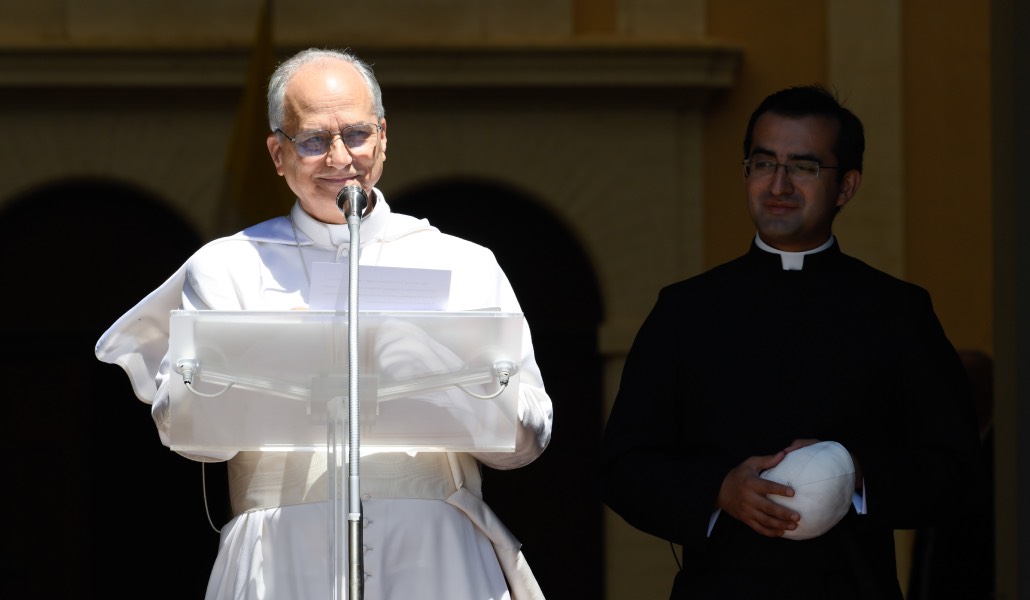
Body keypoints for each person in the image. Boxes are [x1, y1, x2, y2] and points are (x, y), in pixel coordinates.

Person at [95, 47, 553, 600]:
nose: (340, 158)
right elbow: (194, 441)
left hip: (434, 553)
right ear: (277, 153)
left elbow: (525, 442)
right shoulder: (227, 266)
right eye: (313, 141)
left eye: (356, 134)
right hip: (281, 554)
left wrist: (450, 370)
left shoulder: (462, 262)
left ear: (383, 136)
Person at [597, 84, 984, 599]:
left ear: (846, 186)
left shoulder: (898, 312)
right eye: (763, 163)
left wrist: (856, 474)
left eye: (803, 166)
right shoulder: (685, 311)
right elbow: (623, 466)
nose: (778, 184)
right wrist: (719, 491)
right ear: (746, 173)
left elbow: (957, 471)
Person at [907, 349, 995, 599]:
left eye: (973, 386)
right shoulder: (937, 453)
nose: (965, 396)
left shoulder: (1003, 459)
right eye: (957, 386)